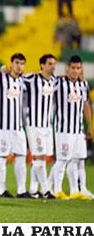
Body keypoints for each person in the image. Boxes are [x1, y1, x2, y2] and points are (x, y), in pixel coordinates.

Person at [0, 53, 31, 198]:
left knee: (21, 155)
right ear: (11, 63)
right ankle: (2, 190)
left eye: (22, 63)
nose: (19, 66)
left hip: (18, 126)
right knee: (2, 155)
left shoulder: (23, 81)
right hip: (2, 126)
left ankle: (21, 190)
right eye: (17, 62)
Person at [52, 55, 92, 200]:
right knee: (63, 159)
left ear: (81, 69)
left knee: (79, 160)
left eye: (78, 68)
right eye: (73, 68)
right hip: (63, 129)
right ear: (67, 68)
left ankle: (79, 190)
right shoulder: (58, 82)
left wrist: (90, 126)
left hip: (78, 130)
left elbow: (86, 105)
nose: (75, 71)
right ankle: (56, 189)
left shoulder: (83, 85)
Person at [23, 54, 57, 199]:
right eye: (50, 64)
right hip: (34, 125)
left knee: (41, 159)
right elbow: (16, 77)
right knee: (39, 156)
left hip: (47, 126)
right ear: (42, 65)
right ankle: (45, 190)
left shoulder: (55, 81)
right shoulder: (32, 78)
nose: (53, 66)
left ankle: (33, 188)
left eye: (54, 63)